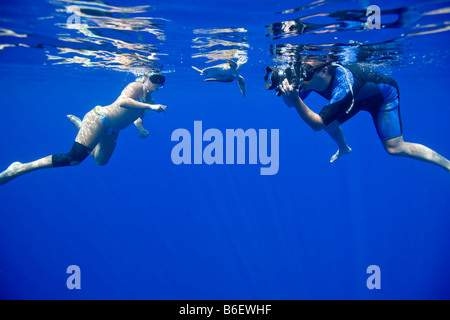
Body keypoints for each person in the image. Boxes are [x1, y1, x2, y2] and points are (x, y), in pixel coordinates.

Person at [277, 60, 450, 172]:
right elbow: (289, 103)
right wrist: (287, 92)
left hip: (382, 97)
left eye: (305, 71)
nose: (302, 75)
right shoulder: (309, 77)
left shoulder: (343, 87)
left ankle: (447, 165)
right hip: (355, 97)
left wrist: (295, 99)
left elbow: (317, 124)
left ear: (324, 71)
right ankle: (344, 148)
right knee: (330, 123)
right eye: (300, 69)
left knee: (394, 148)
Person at [0, 73, 167, 185]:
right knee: (74, 159)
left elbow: (137, 118)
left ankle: (82, 129)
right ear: (145, 78)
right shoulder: (135, 86)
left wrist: (141, 130)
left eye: (160, 82)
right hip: (99, 119)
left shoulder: (150, 100)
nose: (157, 84)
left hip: (112, 131)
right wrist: (151, 108)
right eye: (154, 79)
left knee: (100, 161)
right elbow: (124, 101)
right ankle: (20, 168)